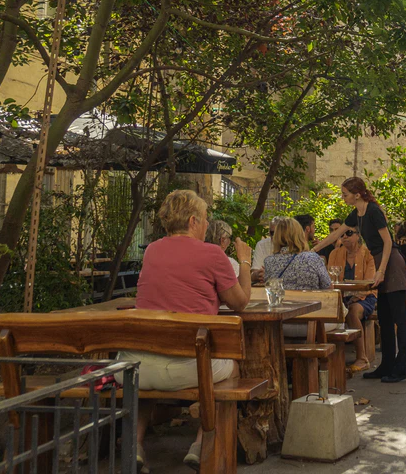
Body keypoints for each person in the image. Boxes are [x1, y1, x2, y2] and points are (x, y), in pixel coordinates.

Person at [128, 190, 252, 472]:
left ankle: (134, 444)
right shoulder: (212, 254)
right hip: (191, 366)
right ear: (194, 221)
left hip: (141, 368)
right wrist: (244, 261)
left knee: (149, 372)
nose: (208, 225)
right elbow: (241, 303)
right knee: (232, 370)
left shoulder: (151, 251)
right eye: (206, 219)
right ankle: (201, 442)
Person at [314, 177, 406, 383]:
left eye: (345, 194)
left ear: (357, 194)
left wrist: (380, 270)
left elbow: (388, 243)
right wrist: (310, 251)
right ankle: (387, 364)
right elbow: (335, 236)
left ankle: (405, 366)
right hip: (381, 263)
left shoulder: (373, 211)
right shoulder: (356, 214)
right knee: (385, 319)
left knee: (399, 318)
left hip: (391, 264)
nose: (343, 198)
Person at [328, 226, 377, 373]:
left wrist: (355, 297)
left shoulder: (369, 254)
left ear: (358, 235)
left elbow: (369, 282)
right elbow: (330, 280)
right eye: (341, 234)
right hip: (341, 296)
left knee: (352, 311)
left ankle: (362, 358)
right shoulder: (335, 253)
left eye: (348, 233)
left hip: (365, 297)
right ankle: (331, 359)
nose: (344, 237)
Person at [263, 217, 331, 291]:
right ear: (299, 234)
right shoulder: (313, 258)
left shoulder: (269, 262)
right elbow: (328, 287)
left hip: (282, 301)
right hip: (310, 301)